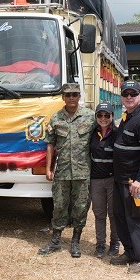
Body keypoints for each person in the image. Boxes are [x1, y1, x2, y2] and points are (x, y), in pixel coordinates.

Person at [38, 83, 94, 258]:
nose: (71, 98)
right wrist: (48, 168)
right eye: (68, 95)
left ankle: (75, 241)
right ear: (62, 97)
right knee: (59, 206)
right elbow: (50, 145)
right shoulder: (55, 118)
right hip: (62, 171)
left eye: (74, 95)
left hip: (83, 171)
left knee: (80, 206)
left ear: (79, 96)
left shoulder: (90, 117)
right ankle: (55, 240)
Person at [111, 80, 140, 273]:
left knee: (138, 218)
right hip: (120, 180)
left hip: (134, 182)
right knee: (121, 217)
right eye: (126, 94)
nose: (129, 97)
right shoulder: (127, 116)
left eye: (133, 94)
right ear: (121, 96)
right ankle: (129, 252)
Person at [89, 102, 120, 258]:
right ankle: (100, 244)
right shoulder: (92, 133)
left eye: (106, 115)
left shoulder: (117, 133)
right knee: (99, 213)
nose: (103, 118)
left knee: (113, 213)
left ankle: (115, 243)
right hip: (96, 181)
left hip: (112, 180)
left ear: (112, 116)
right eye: (100, 115)